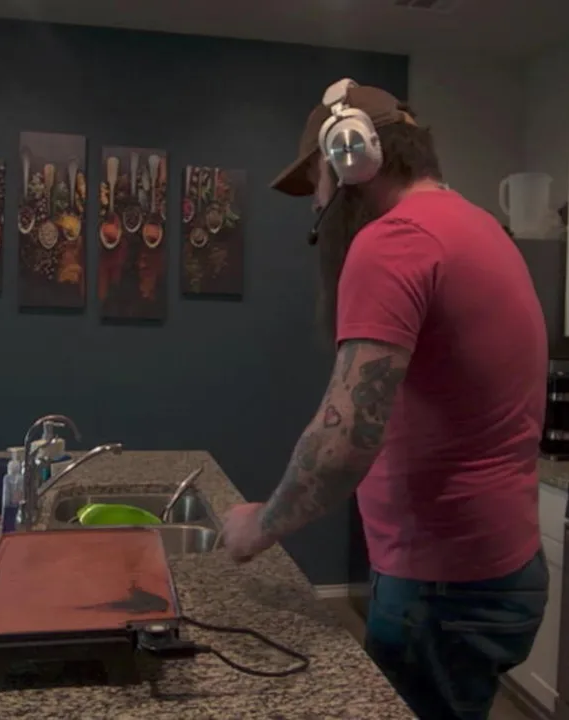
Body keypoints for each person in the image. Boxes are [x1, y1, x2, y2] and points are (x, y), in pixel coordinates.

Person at [219, 79, 551, 720]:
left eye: (316, 183)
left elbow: (345, 436)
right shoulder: (479, 227)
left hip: (442, 585)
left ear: (352, 158)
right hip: (497, 565)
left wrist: (258, 528)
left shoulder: (395, 242)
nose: (318, 206)